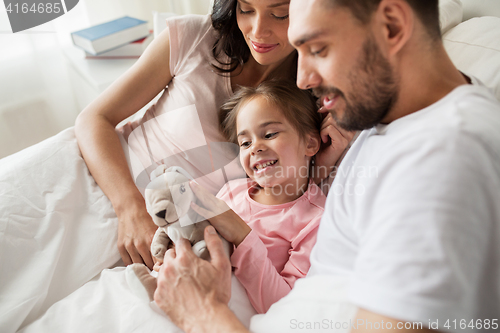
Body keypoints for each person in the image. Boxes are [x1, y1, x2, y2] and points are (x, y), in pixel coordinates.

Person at [153, 0, 500, 332]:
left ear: (391, 26)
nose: (303, 79)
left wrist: (201, 314)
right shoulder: (398, 119)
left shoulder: (443, 159)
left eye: (317, 49)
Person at [74, 0, 348, 271]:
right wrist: (130, 208)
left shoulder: (317, 96)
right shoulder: (194, 37)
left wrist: (323, 163)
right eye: (246, 10)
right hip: (98, 176)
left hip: (176, 235)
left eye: (280, 14)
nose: (258, 30)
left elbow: (285, 198)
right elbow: (93, 119)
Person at [183, 80, 326, 314]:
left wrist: (241, 234)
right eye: (245, 142)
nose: (255, 148)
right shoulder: (232, 191)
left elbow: (283, 307)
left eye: (269, 134)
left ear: (309, 143)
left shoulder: (315, 221)